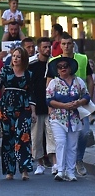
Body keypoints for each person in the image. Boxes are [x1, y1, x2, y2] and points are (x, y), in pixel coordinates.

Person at [48, 32, 94, 176]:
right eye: (63, 44)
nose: (66, 46)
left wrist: (88, 101)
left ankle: (78, 160)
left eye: (69, 43)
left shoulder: (82, 59)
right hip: (60, 106)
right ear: (60, 45)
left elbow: (89, 80)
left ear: (73, 44)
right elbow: (48, 83)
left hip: (80, 103)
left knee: (84, 133)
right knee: (62, 139)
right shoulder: (54, 62)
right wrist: (51, 106)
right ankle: (63, 168)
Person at [0, 46, 35, 180]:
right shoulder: (6, 70)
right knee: (8, 139)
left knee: (23, 137)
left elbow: (31, 94)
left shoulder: (29, 74)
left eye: (18, 57)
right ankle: (9, 171)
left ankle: (24, 170)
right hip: (7, 107)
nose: (15, 59)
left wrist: (33, 112)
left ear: (24, 59)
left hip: (23, 108)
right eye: (14, 56)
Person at [28, 37, 55, 175]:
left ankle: (55, 163)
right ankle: (39, 163)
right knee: (36, 136)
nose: (47, 49)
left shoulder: (53, 64)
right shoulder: (31, 64)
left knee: (52, 135)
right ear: (38, 48)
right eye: (44, 47)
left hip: (51, 106)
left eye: (48, 47)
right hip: (36, 105)